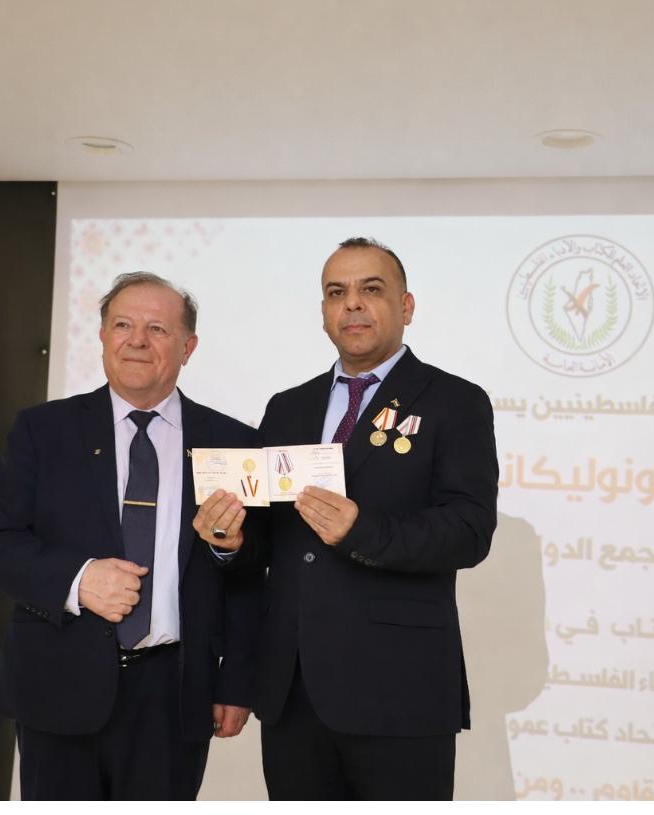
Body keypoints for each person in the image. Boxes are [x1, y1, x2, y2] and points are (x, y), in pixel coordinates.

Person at [199, 237, 498, 800]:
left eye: (371, 289)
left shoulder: (454, 401)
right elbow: (266, 545)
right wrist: (228, 541)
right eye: (337, 292)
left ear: (406, 307)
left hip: (399, 690)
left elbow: (469, 531)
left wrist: (363, 532)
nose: (353, 303)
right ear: (323, 312)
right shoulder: (287, 407)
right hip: (292, 689)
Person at [0, 273, 262, 800]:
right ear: (103, 336)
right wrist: (78, 580)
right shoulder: (43, 430)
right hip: (58, 685)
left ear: (188, 347)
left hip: (173, 694)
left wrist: (237, 679)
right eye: (123, 325)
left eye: (158, 329)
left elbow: (251, 576)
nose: (137, 341)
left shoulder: (233, 443)